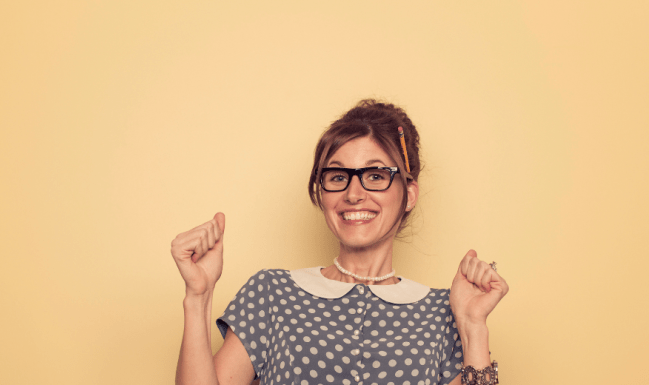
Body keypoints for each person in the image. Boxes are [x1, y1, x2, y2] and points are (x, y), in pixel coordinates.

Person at [170, 100, 509, 385]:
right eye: (337, 177)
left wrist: (473, 327)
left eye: (375, 176)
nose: (354, 194)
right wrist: (197, 297)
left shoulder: (443, 312)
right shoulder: (271, 294)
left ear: (408, 194)